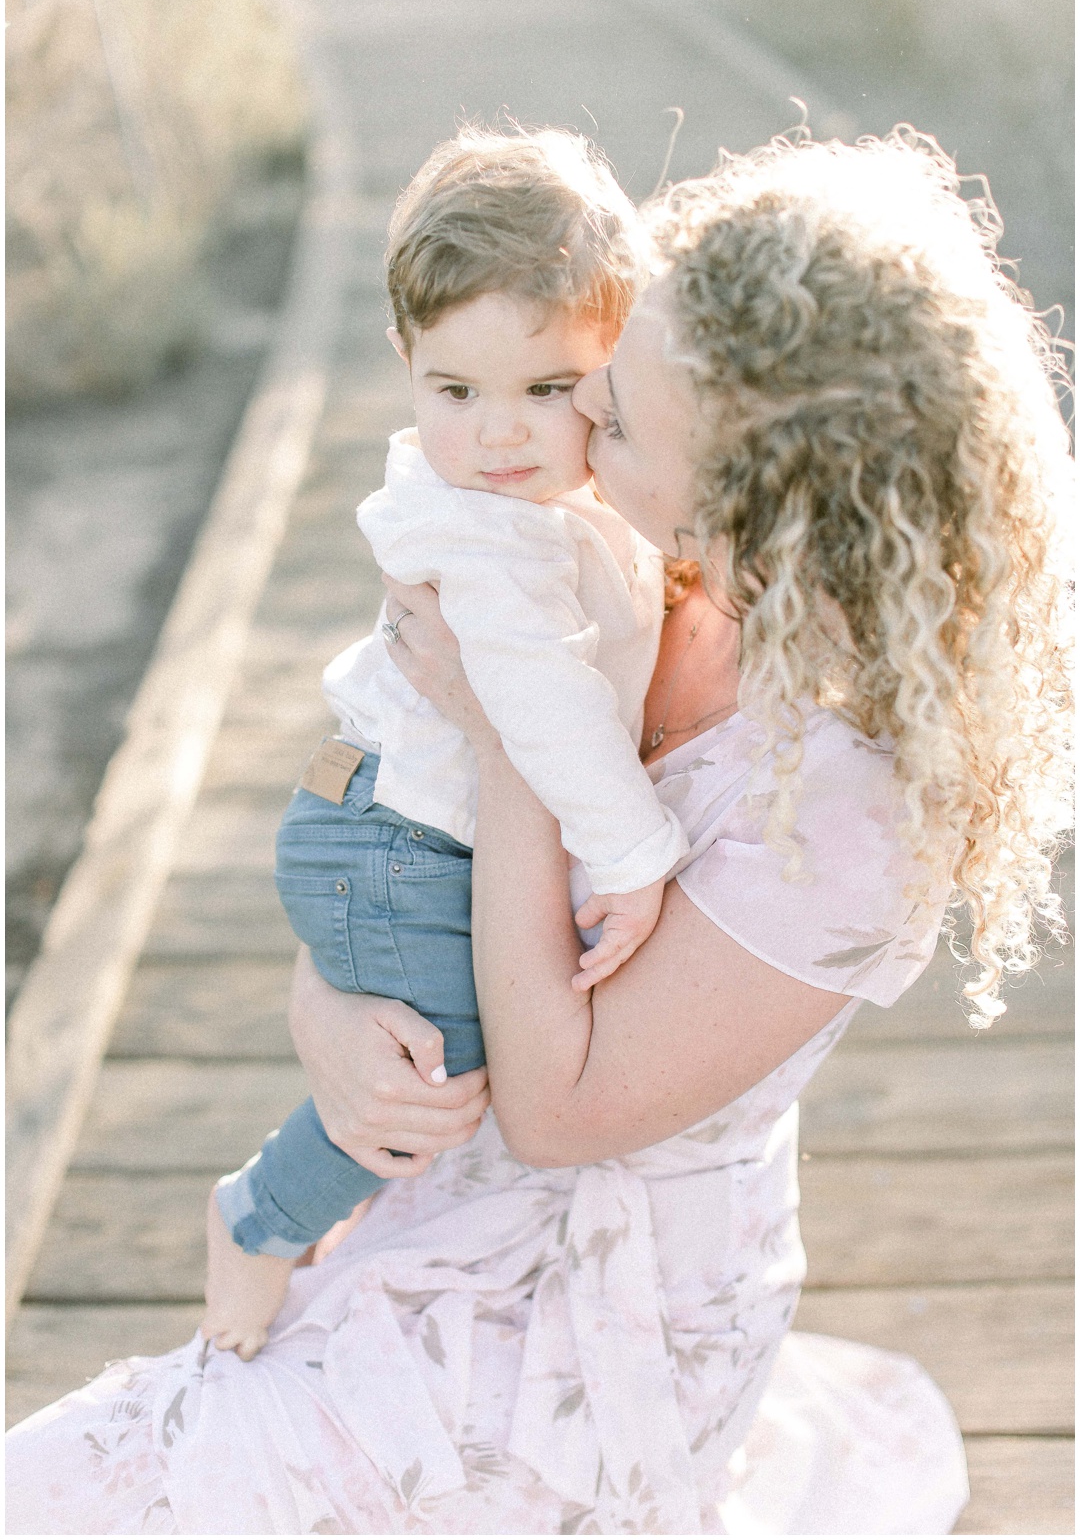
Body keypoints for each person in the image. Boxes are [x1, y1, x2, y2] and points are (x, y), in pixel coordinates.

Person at [6, 128, 1071, 1536]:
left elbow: (561, 1110)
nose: (568, 438)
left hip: (590, 1320)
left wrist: (514, 723)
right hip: (430, 1179)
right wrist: (327, 1006)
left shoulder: (854, 811)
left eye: (612, 418)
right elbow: (399, 843)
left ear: (760, 499)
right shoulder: (616, 556)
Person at [203, 128, 690, 1361]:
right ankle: (263, 1218)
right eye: (455, 392)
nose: (500, 435)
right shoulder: (487, 534)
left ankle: (326, 1208)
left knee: (441, 1047)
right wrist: (632, 856)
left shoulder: (540, 509)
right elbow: (536, 700)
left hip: (378, 814)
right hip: (394, 839)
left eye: (547, 389)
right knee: (447, 1069)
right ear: (406, 364)